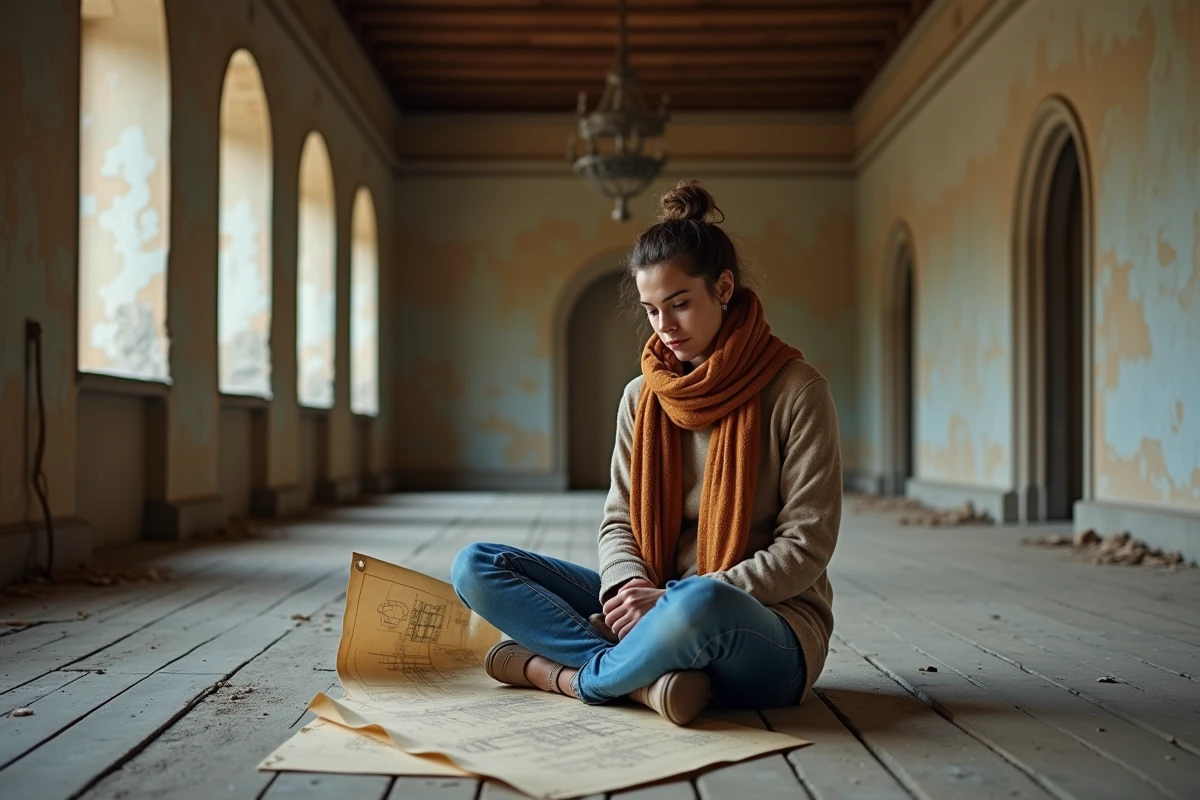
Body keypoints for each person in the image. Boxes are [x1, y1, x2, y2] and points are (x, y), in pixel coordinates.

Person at [451, 179, 842, 725]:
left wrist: (673, 602)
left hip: (763, 625)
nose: (666, 327)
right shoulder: (642, 396)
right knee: (476, 566)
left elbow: (806, 548)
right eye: (653, 310)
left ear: (723, 287)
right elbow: (619, 523)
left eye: (680, 304)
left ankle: (569, 676)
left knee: (697, 606)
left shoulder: (797, 390)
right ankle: (649, 680)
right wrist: (633, 589)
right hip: (653, 602)